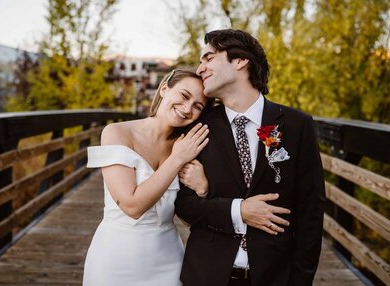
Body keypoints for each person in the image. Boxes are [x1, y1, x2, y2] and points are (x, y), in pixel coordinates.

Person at [175, 29, 326, 286]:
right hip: (207, 275)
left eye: (208, 58)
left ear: (240, 60)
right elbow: (182, 205)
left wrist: (301, 280)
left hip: (274, 276)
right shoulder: (197, 127)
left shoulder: (296, 125)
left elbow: (311, 210)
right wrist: (238, 210)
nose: (200, 69)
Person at [82, 69, 214, 286]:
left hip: (168, 260)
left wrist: (203, 189)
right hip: (114, 261)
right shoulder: (117, 133)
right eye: (184, 95)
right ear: (164, 88)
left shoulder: (190, 146)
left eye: (198, 106)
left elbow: (191, 220)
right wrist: (177, 159)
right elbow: (132, 206)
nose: (188, 108)